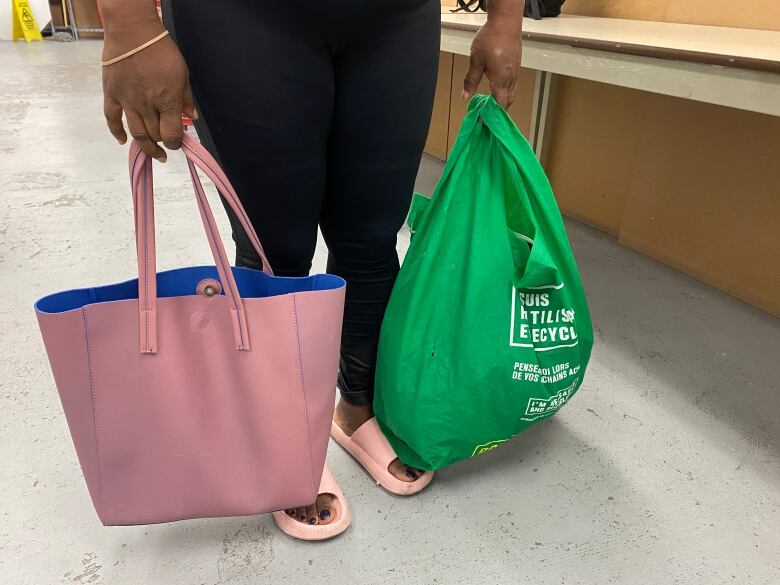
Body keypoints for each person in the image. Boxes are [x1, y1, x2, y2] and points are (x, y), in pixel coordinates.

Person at [98, 0, 523, 540]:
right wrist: (129, 23)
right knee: (275, 247)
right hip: (242, 17)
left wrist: (506, 15)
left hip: (396, 17)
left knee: (372, 235)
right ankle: (286, 438)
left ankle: (357, 407)